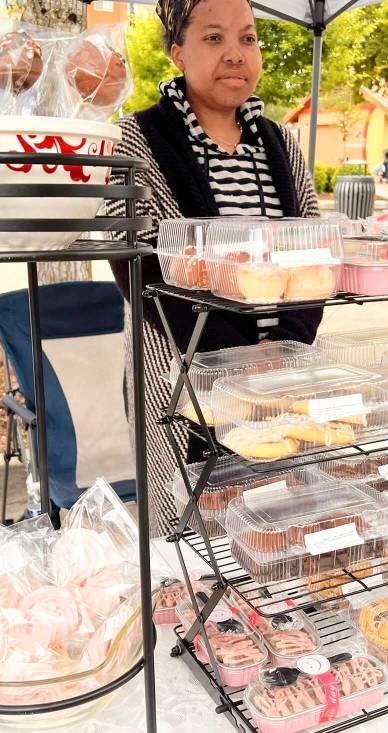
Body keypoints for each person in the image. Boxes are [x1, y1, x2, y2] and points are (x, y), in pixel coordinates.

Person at [105, 0, 322, 536]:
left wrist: (284, 352)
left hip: (280, 381)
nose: (235, 55)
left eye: (248, 40)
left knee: (273, 528)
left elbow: (313, 254)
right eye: (214, 39)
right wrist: (233, 365)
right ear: (177, 52)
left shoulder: (279, 142)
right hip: (181, 384)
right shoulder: (138, 139)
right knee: (194, 539)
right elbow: (134, 258)